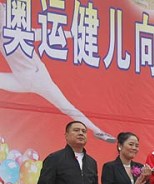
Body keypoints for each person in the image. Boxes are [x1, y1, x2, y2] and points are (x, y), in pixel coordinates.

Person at [0, 3, 115, 143]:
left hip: (39, 78)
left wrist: (71, 33)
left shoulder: (19, 32)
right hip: (19, 79)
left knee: (67, 107)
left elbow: (46, 35)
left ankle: (98, 131)